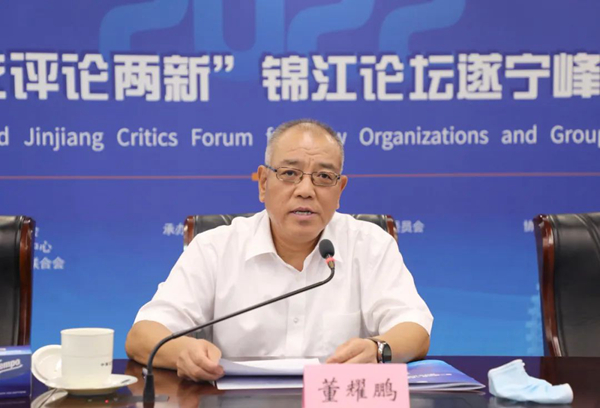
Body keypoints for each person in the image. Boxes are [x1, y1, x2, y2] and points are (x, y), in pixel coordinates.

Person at [125, 119, 433, 382]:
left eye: (324, 177)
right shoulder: (214, 248)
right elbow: (142, 336)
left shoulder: (370, 245)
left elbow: (414, 330)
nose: (305, 190)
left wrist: (378, 350)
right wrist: (182, 352)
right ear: (263, 183)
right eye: (289, 173)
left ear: (339, 191)